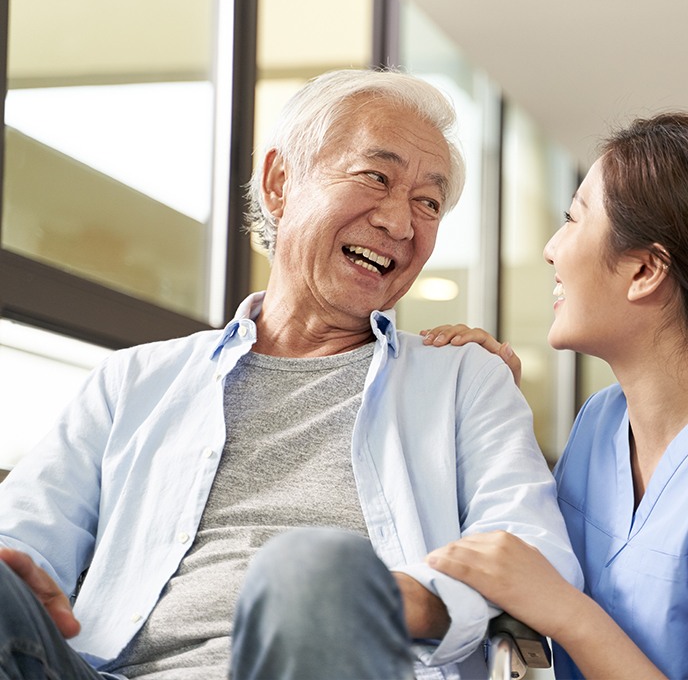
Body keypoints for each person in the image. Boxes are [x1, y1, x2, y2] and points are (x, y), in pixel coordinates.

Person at [0, 68, 582, 680]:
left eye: (428, 203)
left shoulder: (465, 378)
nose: (400, 223)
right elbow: (23, 535)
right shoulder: (132, 381)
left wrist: (373, 596)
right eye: (375, 177)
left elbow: (529, 547)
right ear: (281, 183)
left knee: (311, 566)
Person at [421, 112, 688, 679]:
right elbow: (529, 554)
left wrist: (569, 615)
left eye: (573, 219)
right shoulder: (601, 422)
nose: (550, 248)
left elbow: (545, 591)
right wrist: (489, 419)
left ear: (644, 269)